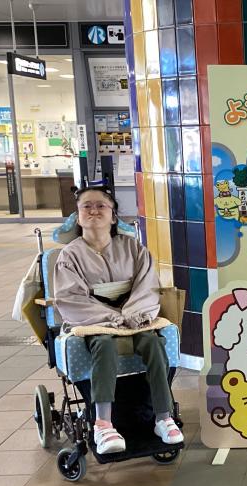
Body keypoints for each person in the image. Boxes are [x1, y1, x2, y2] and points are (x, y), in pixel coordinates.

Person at [53, 186, 183, 454]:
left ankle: (163, 417)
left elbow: (147, 287)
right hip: (94, 321)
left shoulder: (133, 248)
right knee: (104, 344)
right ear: (77, 217)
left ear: (113, 216)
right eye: (86, 206)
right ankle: (103, 424)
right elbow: (70, 298)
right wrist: (112, 318)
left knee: (153, 343)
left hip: (135, 318)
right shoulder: (69, 256)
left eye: (101, 205)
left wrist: (132, 315)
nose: (94, 211)